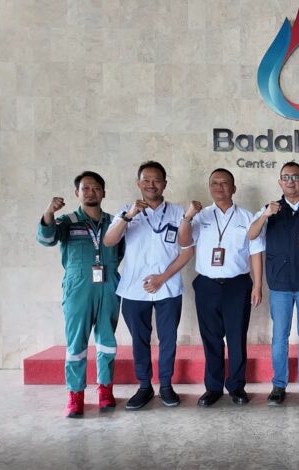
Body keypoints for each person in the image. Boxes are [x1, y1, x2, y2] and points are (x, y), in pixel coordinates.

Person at [103, 161, 193, 410]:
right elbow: (109, 241)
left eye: (156, 180)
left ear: (164, 183)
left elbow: (187, 251)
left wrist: (162, 277)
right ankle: (144, 386)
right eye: (146, 180)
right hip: (134, 289)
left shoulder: (178, 213)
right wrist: (128, 216)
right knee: (139, 340)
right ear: (138, 183)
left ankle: (166, 385)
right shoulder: (126, 211)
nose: (151, 185)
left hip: (168, 288)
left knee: (168, 339)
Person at [37, 171, 123, 418]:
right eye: (86, 188)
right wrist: (49, 212)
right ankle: (75, 395)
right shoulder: (67, 221)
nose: (91, 192)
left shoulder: (115, 222)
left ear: (104, 193)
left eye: (96, 188)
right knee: (76, 343)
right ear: (77, 193)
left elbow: (122, 251)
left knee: (107, 341)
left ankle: (105, 389)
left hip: (108, 284)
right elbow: (46, 239)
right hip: (78, 286)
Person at [177, 168, 264, 407]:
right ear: (209, 188)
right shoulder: (200, 216)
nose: (219, 187)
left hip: (238, 285)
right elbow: (184, 241)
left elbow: (256, 252)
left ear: (233, 188)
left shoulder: (247, 217)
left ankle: (236, 386)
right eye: (214, 183)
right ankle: (213, 388)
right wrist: (187, 217)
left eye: (224, 183)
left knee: (236, 338)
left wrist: (257, 285)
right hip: (207, 285)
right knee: (211, 338)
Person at [246, 162, 299, 406]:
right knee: (279, 338)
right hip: (280, 286)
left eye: (295, 177)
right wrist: (265, 215)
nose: (290, 181)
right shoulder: (269, 210)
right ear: (279, 182)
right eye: (286, 177)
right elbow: (251, 235)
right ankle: (279, 385)